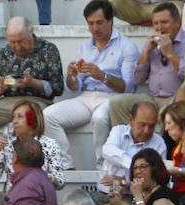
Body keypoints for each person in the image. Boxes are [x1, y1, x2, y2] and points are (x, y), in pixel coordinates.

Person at [42, 0, 140, 171]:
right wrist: (72, 77)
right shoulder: (85, 47)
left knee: (99, 118)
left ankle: (102, 169)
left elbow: (129, 87)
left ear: (111, 21)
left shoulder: (127, 46)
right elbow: (76, 86)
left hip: (114, 97)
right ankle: (66, 165)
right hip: (86, 97)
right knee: (47, 116)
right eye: (90, 23)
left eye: (99, 22)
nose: (95, 28)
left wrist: (102, 76)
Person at [0, 17, 64, 169]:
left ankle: (25, 164)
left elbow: (58, 87)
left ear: (31, 32)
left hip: (37, 101)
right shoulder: (5, 52)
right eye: (12, 42)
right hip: (7, 102)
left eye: (21, 41)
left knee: (22, 121)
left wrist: (34, 83)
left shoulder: (48, 50)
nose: (16, 46)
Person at [108, 3, 185, 126]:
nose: (159, 28)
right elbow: (137, 80)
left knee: (168, 112)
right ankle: (128, 142)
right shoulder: (151, 42)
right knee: (117, 102)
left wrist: (170, 54)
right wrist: (146, 53)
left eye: (164, 22)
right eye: (156, 23)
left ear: (178, 23)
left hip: (176, 99)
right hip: (152, 98)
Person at [0, 99, 65, 191]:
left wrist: (50, 179)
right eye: (13, 117)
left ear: (33, 120)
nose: (14, 121)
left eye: (20, 117)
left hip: (38, 199)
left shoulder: (50, 144)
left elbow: (60, 183)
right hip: (12, 200)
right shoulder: (7, 144)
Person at [99, 101, 166, 201]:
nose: (147, 131)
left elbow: (154, 178)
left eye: (151, 126)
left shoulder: (158, 143)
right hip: (105, 194)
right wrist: (136, 167)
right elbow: (107, 150)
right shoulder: (118, 131)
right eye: (142, 125)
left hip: (139, 199)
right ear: (131, 120)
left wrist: (124, 181)